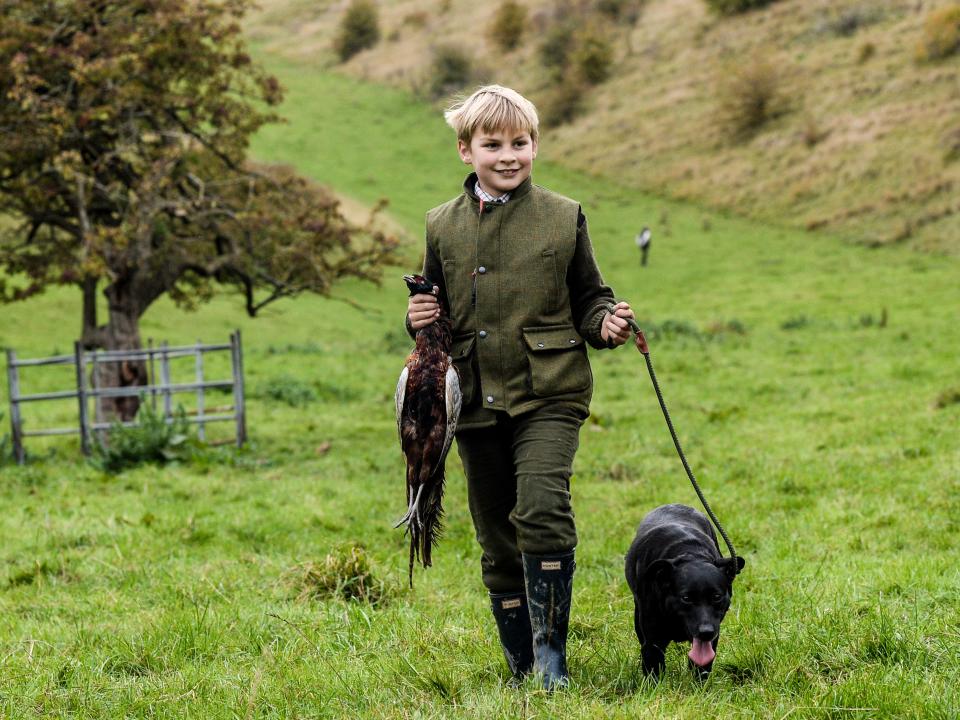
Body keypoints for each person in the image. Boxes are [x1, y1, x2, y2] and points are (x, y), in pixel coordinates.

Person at [405, 85, 635, 690]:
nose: (509, 155)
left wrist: (606, 325)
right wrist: (417, 320)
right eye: (493, 144)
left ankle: (551, 657)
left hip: (550, 392)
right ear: (466, 150)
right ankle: (519, 665)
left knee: (540, 507)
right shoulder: (440, 226)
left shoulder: (564, 215)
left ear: (535, 145)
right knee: (497, 538)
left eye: (521, 142)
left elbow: (591, 298)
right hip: (473, 398)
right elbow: (431, 307)